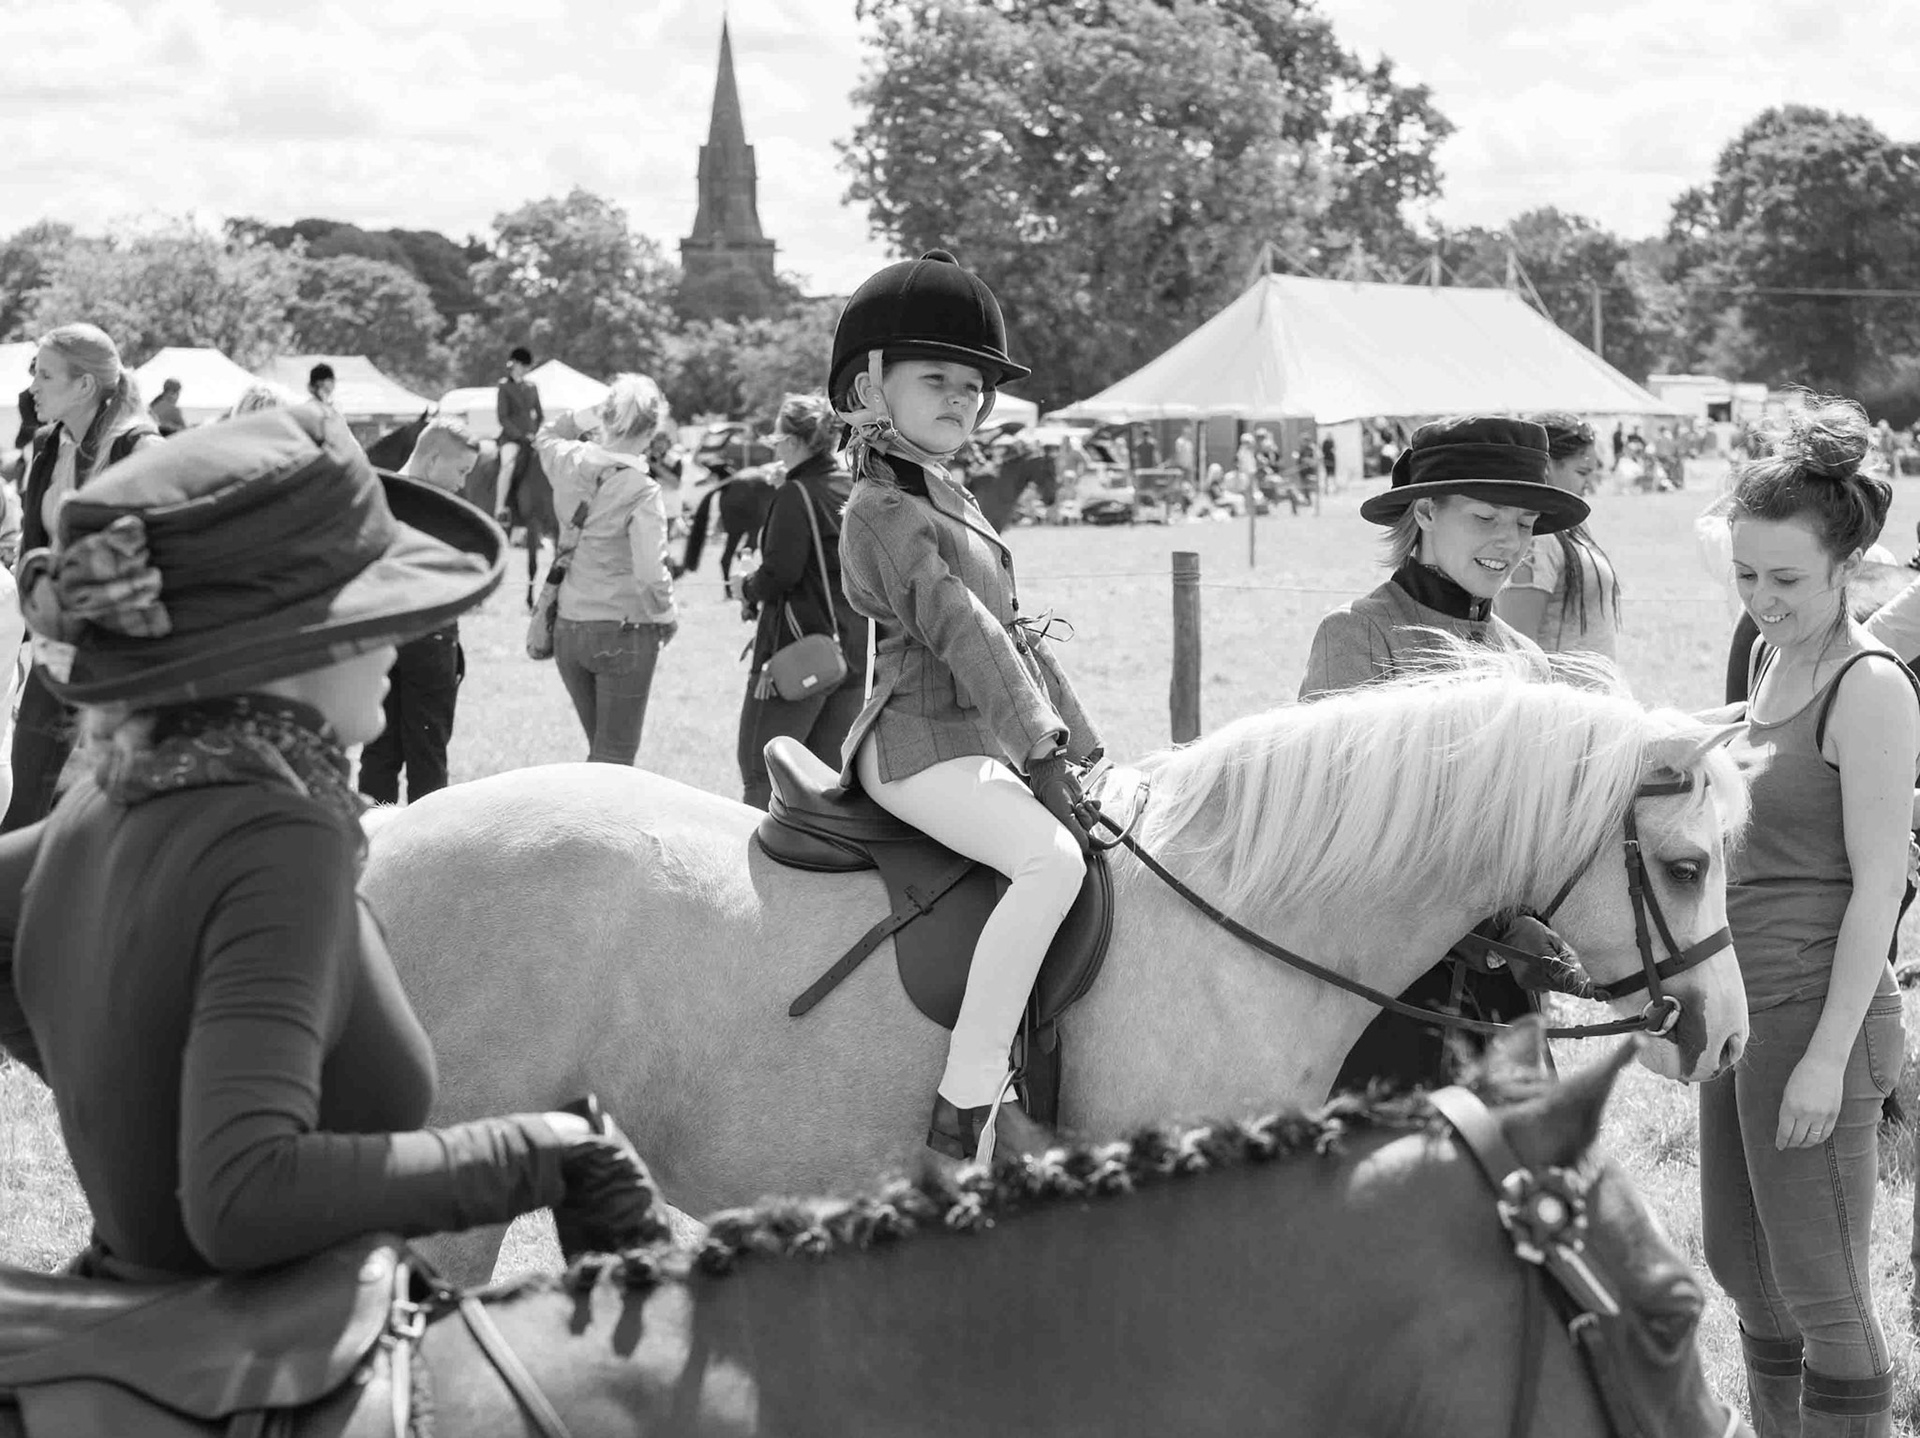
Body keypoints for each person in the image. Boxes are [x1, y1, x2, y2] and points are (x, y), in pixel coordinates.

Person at [0, 404, 658, 1280]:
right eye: (370, 609)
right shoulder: (279, 838)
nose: (397, 636)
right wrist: (543, 1154)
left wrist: (126, 1106)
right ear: (277, 647)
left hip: (137, 1308)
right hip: (253, 1340)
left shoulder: (116, 791)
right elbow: (242, 1198)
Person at [830, 249, 1102, 1167]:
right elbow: (965, 628)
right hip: (916, 742)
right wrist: (1042, 751)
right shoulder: (881, 507)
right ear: (869, 389)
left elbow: (1013, 631)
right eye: (936, 381)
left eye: (974, 387)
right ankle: (970, 1093)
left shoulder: (947, 491)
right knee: (1050, 862)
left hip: (979, 737)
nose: (962, 399)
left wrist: (1081, 745)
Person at [1696, 401, 1916, 1438]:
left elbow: (1880, 888)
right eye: (1746, 574)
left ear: (1848, 565)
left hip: (1818, 1015)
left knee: (1823, 1291)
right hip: (1738, 1009)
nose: (1762, 599)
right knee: (1743, 1268)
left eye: (1786, 578)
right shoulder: (1767, 656)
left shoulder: (1870, 687)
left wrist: (1828, 1060)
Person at [1298, 416, 1588, 1093]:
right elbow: (1333, 831)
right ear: (1425, 511)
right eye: (1485, 517)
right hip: (1384, 992)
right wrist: (1478, 926)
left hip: (1507, 996)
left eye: (1523, 523)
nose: (1509, 541)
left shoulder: (1527, 660)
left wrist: (1537, 922)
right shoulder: (1358, 635)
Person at [5, 324, 162, 833]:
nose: (33, 386)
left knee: (109, 803)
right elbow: (35, 545)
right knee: (22, 798)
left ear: (84, 385)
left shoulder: (140, 450)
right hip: (54, 647)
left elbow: (160, 555)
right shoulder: (48, 444)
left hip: (117, 655)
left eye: (46, 375)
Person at [533, 376, 678, 766]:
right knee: (615, 761)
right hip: (624, 629)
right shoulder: (643, 490)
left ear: (606, 417)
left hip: (568, 626)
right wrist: (666, 614)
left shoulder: (567, 461)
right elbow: (650, 572)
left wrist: (591, 412)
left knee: (600, 756)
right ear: (651, 430)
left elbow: (546, 434)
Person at [733, 393, 869, 809]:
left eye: (776, 439)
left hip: (798, 651)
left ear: (793, 442)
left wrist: (745, 587)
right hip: (853, 650)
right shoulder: (852, 485)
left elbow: (780, 575)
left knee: (763, 772)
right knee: (824, 781)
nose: (775, 447)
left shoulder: (796, 493)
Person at [358, 417, 480, 806]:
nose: (462, 483)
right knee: (427, 756)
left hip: (381, 640)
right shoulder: (441, 508)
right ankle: (428, 842)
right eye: (461, 471)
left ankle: (371, 837)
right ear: (433, 460)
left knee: (378, 753)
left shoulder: (375, 494)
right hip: (429, 643)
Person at [1493, 413, 1623, 661]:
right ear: (1547, 466)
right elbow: (1519, 648)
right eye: (1582, 472)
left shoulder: (1571, 527)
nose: (1590, 483)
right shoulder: (1536, 538)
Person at [494, 347, 544, 524]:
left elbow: (539, 414)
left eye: (527, 366)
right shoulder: (504, 386)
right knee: (507, 465)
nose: (525, 369)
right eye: (522, 365)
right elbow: (503, 417)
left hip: (531, 437)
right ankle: (500, 508)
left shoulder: (532, 387)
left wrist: (534, 433)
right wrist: (519, 435)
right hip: (511, 438)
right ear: (514, 364)